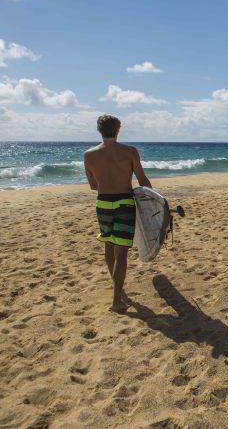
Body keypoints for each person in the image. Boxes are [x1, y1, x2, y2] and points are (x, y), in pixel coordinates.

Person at [84, 115, 152, 313]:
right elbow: (142, 180)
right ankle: (116, 301)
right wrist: (153, 201)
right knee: (121, 254)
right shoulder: (130, 152)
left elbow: (93, 185)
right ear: (118, 129)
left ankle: (118, 290)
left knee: (109, 244)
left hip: (103, 203)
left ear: (99, 130)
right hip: (124, 203)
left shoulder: (89, 155)